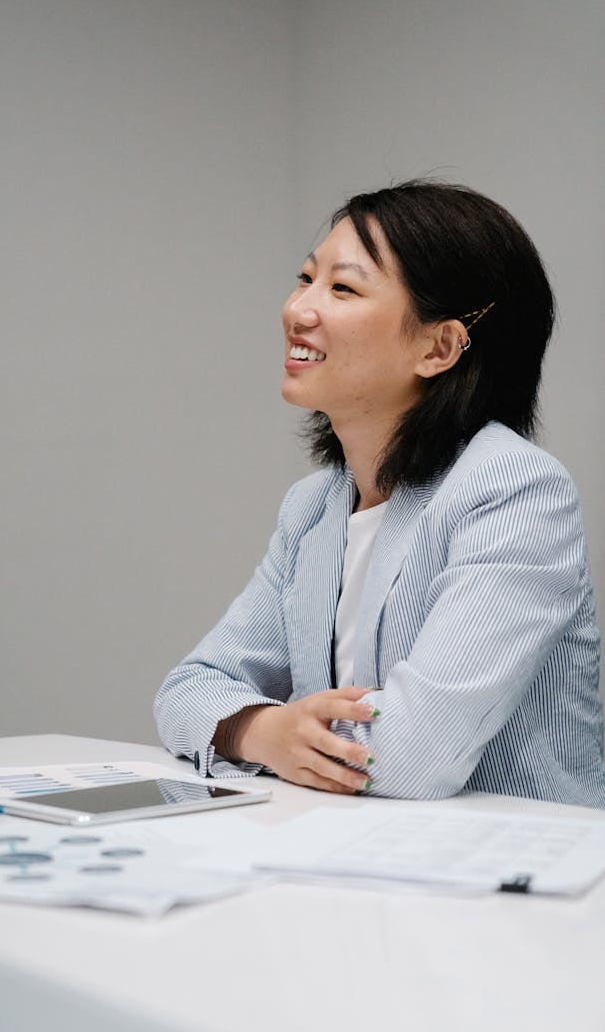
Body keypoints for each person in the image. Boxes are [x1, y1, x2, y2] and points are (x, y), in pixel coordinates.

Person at [154, 181, 605, 808]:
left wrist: (265, 729)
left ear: (439, 346)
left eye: (342, 288)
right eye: (305, 278)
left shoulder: (513, 489)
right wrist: (268, 729)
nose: (298, 309)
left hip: (507, 879)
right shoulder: (314, 504)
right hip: (357, 862)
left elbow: (412, 755)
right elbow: (187, 690)